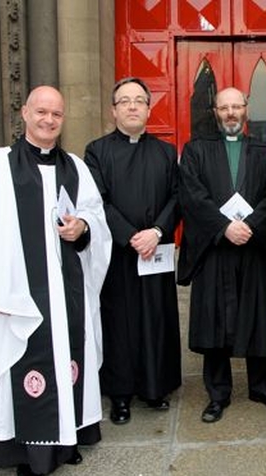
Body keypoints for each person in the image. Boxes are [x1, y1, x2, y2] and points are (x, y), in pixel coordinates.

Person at [0, 86, 112, 476]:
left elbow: (96, 218)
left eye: (56, 114)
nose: (49, 120)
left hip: (66, 291)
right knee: (23, 364)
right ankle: (24, 452)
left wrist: (82, 227)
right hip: (16, 295)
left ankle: (68, 438)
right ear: (24, 113)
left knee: (68, 360)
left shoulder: (75, 167)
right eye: (41, 112)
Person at [178, 87, 266, 423]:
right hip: (214, 248)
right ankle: (218, 394)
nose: (230, 113)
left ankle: (261, 387)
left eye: (236, 107)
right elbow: (193, 196)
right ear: (215, 112)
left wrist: (249, 226)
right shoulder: (197, 150)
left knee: (258, 317)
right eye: (223, 107)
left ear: (246, 110)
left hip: (253, 246)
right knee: (215, 321)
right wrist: (225, 227)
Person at [84, 77, 182, 425]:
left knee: (156, 318)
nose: (132, 106)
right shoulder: (97, 151)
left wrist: (156, 232)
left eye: (139, 100)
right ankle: (121, 394)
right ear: (113, 110)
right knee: (119, 322)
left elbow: (177, 197)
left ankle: (155, 387)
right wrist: (130, 236)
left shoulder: (166, 152)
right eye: (124, 101)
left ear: (148, 108)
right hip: (119, 254)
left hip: (156, 252)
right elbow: (97, 202)